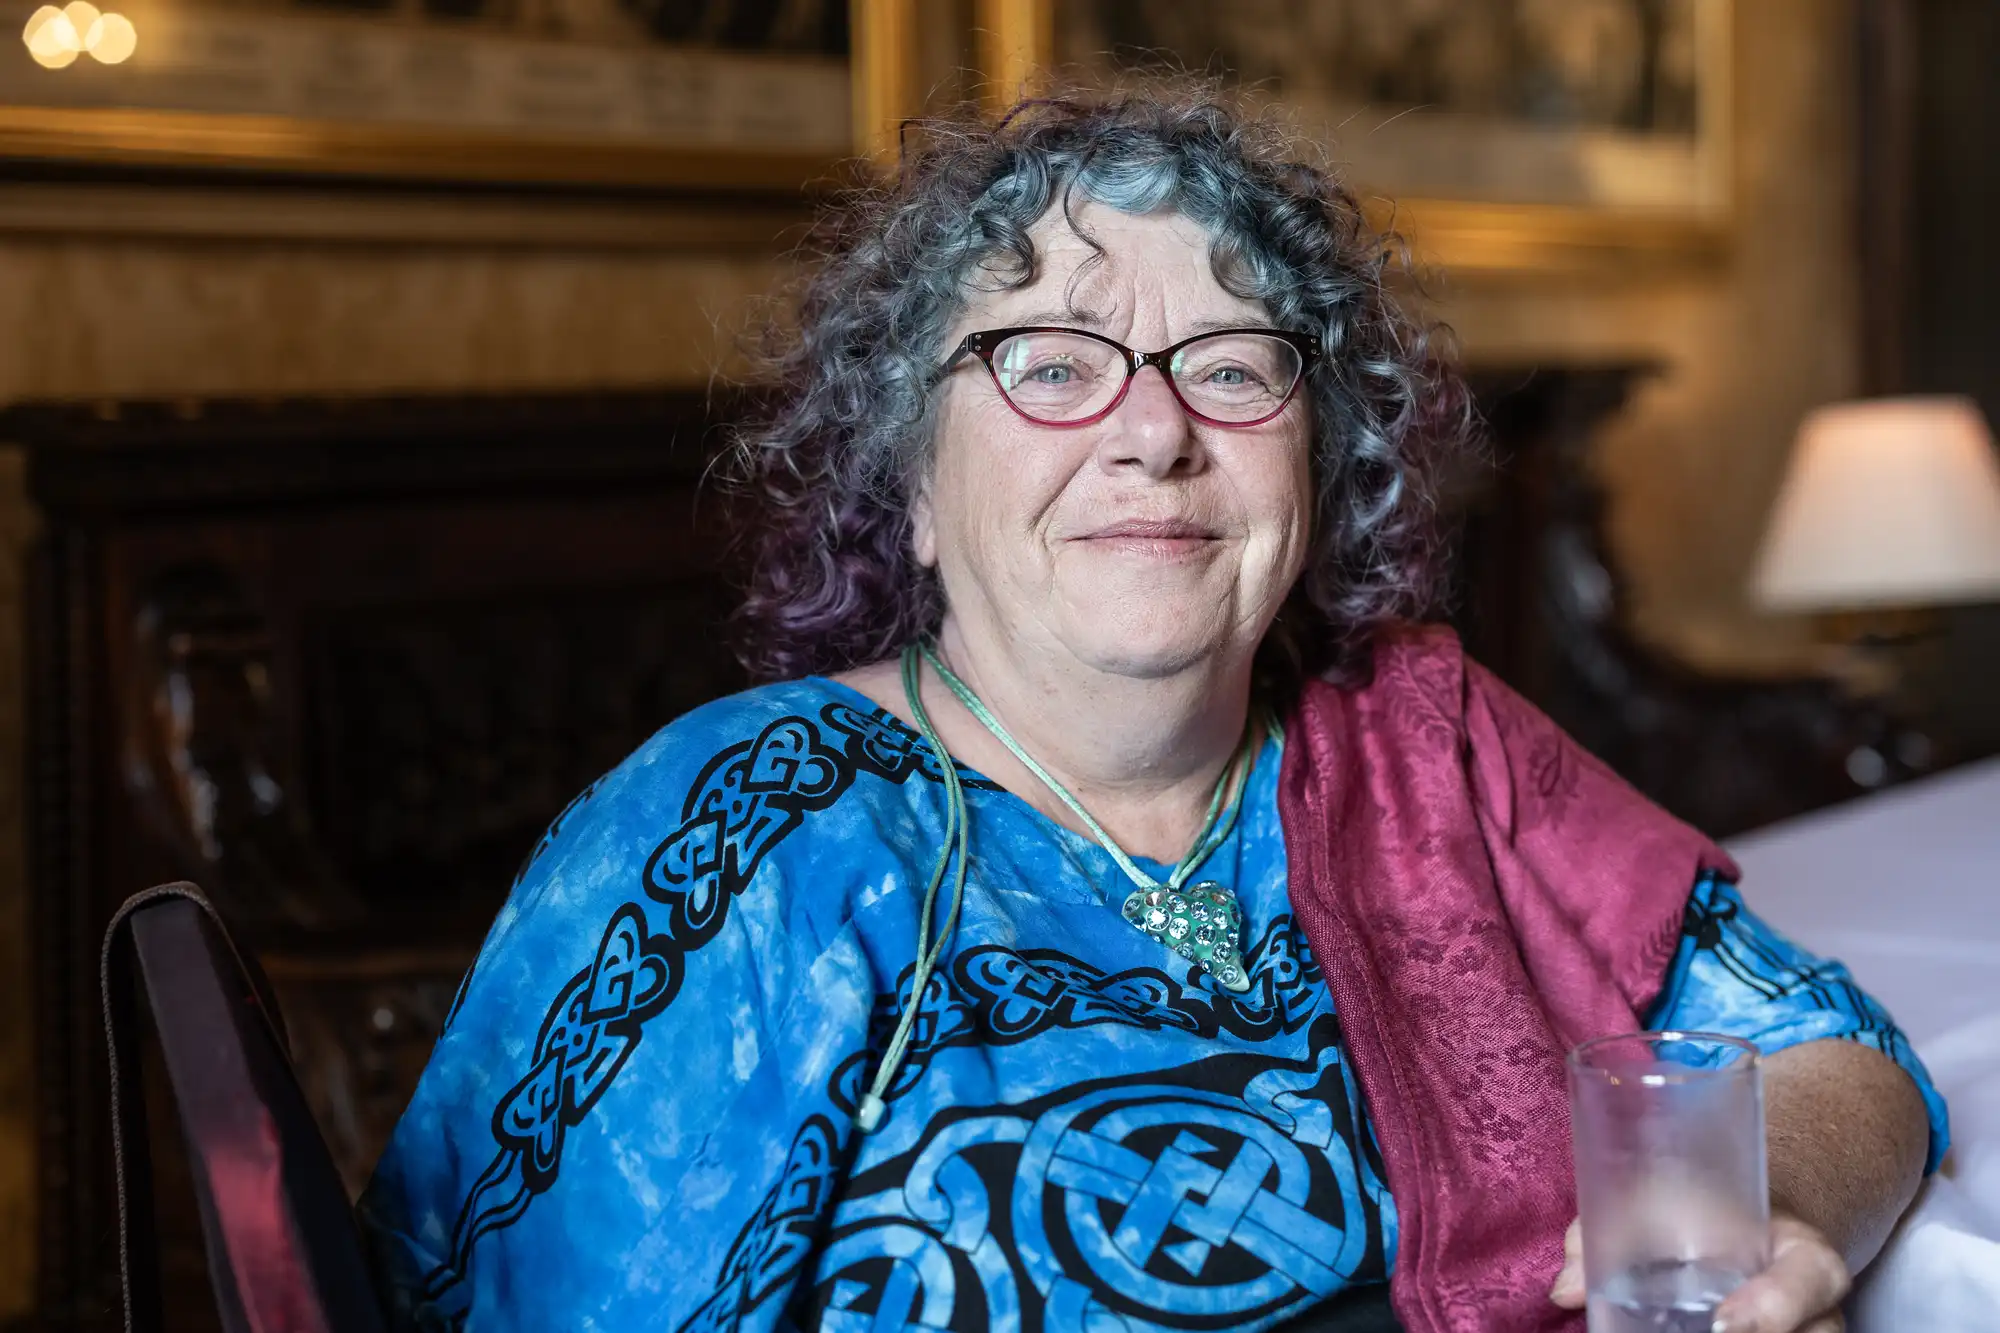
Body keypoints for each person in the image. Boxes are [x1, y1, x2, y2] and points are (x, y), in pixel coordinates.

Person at [359, 90, 1946, 1333]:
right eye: (1053, 366)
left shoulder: (1423, 747)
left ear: (1318, 469)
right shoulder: (751, 843)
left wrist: (1775, 1218)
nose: (1154, 437)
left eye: (1232, 366)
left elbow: (1835, 1052)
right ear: (910, 479)